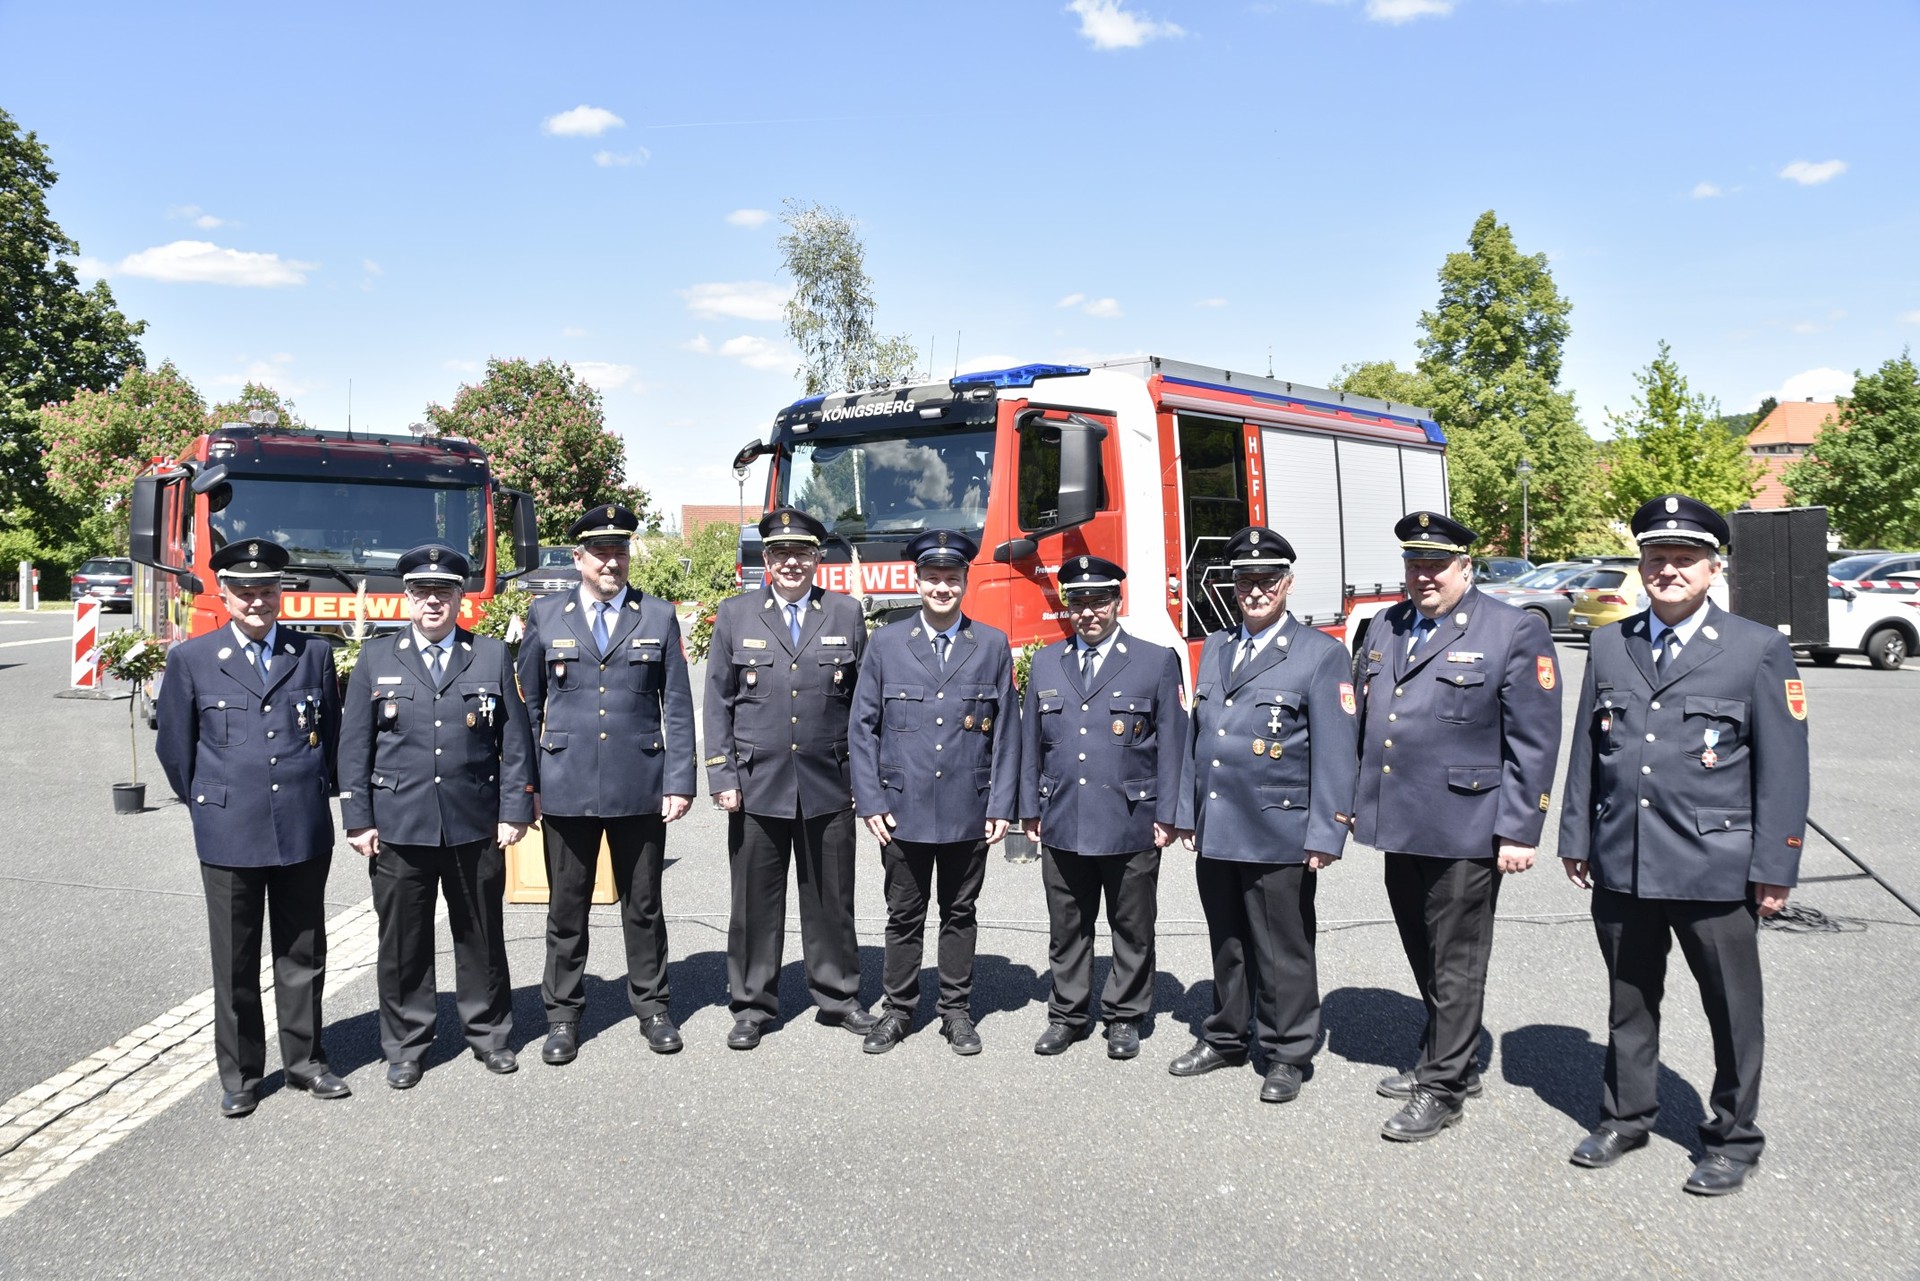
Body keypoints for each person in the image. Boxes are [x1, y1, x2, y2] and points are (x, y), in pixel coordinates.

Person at [1559, 494, 1810, 1197]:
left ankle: (1733, 1136)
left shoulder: (1756, 646)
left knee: (1731, 1010)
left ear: (1712, 567)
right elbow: (1589, 746)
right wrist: (1576, 834)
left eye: (1684, 558)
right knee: (1629, 998)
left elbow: (1784, 769)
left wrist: (1775, 866)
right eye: (1656, 557)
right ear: (1640, 565)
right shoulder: (1612, 642)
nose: (1668, 569)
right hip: (1624, 858)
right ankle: (1626, 1115)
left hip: (1715, 867)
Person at [1351, 511, 1563, 1141]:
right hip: (1399, 819)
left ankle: (1443, 1085)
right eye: (1414, 564)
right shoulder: (1384, 626)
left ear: (1465, 567)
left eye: (1436, 565)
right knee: (1424, 947)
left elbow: (1534, 737)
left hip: (1467, 824)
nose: (1424, 576)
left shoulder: (1512, 630)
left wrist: (1521, 828)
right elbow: (1365, 718)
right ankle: (1454, 1052)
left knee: (1458, 957)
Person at [156, 539, 346, 1118]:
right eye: (245, 591)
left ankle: (305, 1061)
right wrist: (211, 804)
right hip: (228, 828)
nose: (257, 600)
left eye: (267, 590)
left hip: (301, 823)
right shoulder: (192, 658)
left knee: (303, 951)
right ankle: (240, 1073)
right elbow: (174, 750)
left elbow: (330, 736)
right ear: (225, 594)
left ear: (281, 593)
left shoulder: (312, 655)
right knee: (235, 958)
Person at [1171, 526, 1357, 1103]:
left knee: (1283, 946)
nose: (1255, 590)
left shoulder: (1320, 654)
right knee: (1226, 939)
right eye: (1245, 580)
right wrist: (1185, 812)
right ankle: (1227, 1035)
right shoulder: (1217, 648)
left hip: (1280, 827)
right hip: (1219, 823)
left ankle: (1286, 1051)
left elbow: (1335, 750)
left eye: (1267, 580)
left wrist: (1328, 828)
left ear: (1288, 584)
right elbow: (1196, 737)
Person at [339, 544, 533, 1088]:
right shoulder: (377, 659)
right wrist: (358, 818)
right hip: (399, 822)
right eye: (422, 591)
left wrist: (514, 808)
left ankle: (490, 1034)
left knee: (482, 936)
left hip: (475, 823)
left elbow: (515, 741)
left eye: (444, 591)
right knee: (403, 941)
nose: (432, 602)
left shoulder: (491, 655)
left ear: (459, 598)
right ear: (406, 597)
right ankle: (406, 1044)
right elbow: (354, 745)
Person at [517, 503, 697, 1064]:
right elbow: (527, 708)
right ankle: (563, 1016)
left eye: (619, 550)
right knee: (566, 909)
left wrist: (680, 780)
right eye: (600, 552)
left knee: (643, 905)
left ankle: (653, 1007)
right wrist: (528, 785)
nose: (611, 561)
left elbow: (679, 708)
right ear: (578, 558)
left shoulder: (658, 615)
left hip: (639, 782)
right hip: (565, 783)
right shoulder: (546, 616)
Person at [704, 506, 875, 1048]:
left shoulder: (845, 614)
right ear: (767, 561)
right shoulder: (735, 615)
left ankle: (839, 995)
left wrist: (865, 780)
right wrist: (722, 775)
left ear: (816, 559)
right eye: (780, 554)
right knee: (754, 900)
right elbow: (717, 702)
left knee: (831, 898)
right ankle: (753, 1005)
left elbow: (864, 704)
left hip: (830, 779)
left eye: (802, 553)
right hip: (757, 782)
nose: (791, 563)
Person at [849, 528, 1020, 1056]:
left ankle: (956, 1011)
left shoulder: (990, 644)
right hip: (902, 810)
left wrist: (1002, 806)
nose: (942, 587)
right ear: (916, 581)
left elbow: (1008, 730)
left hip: (969, 808)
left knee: (959, 912)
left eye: (952, 578)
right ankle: (898, 1010)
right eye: (932, 578)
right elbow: (862, 727)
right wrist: (871, 801)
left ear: (965, 581)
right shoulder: (887, 643)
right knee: (903, 913)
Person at [1018, 554, 1186, 1060]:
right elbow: (1031, 742)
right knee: (1067, 923)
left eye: (1099, 601)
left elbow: (1175, 744)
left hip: (1131, 819)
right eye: (1079, 602)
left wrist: (1170, 815)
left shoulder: (1156, 660)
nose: (1089, 611)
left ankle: (1124, 1016)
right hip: (1064, 816)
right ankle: (1068, 1014)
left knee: (1132, 925)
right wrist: (1029, 807)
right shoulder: (1048, 661)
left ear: (1118, 602)